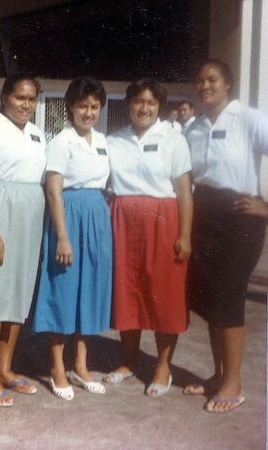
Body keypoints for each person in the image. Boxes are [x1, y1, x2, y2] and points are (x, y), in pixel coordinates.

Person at [184, 59, 268, 413]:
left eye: (212, 79)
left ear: (228, 84)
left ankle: (233, 383)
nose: (205, 86)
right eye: (200, 80)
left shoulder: (250, 119)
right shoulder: (194, 126)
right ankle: (217, 376)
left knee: (229, 296)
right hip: (203, 215)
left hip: (239, 218)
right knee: (210, 299)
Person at [105, 79, 193, 397]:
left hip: (163, 220)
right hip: (124, 221)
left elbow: (184, 191)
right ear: (129, 105)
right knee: (127, 290)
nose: (144, 108)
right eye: (139, 102)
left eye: (151, 103)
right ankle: (128, 361)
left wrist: (184, 234)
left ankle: (162, 366)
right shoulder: (114, 140)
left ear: (159, 107)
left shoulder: (173, 140)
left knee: (163, 294)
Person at [33, 76, 111, 401]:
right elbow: (53, 189)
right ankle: (56, 367)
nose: (89, 112)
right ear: (70, 107)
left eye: (94, 106)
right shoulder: (61, 142)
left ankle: (81, 365)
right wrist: (62, 236)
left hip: (97, 214)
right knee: (63, 289)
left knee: (91, 291)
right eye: (83, 106)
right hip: (69, 214)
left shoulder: (103, 141)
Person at [0, 74, 46, 407]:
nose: (26, 105)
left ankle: (5, 368)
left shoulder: (37, 134)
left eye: (31, 100)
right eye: (20, 98)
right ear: (5, 97)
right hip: (1, 212)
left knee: (18, 291)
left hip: (30, 217)